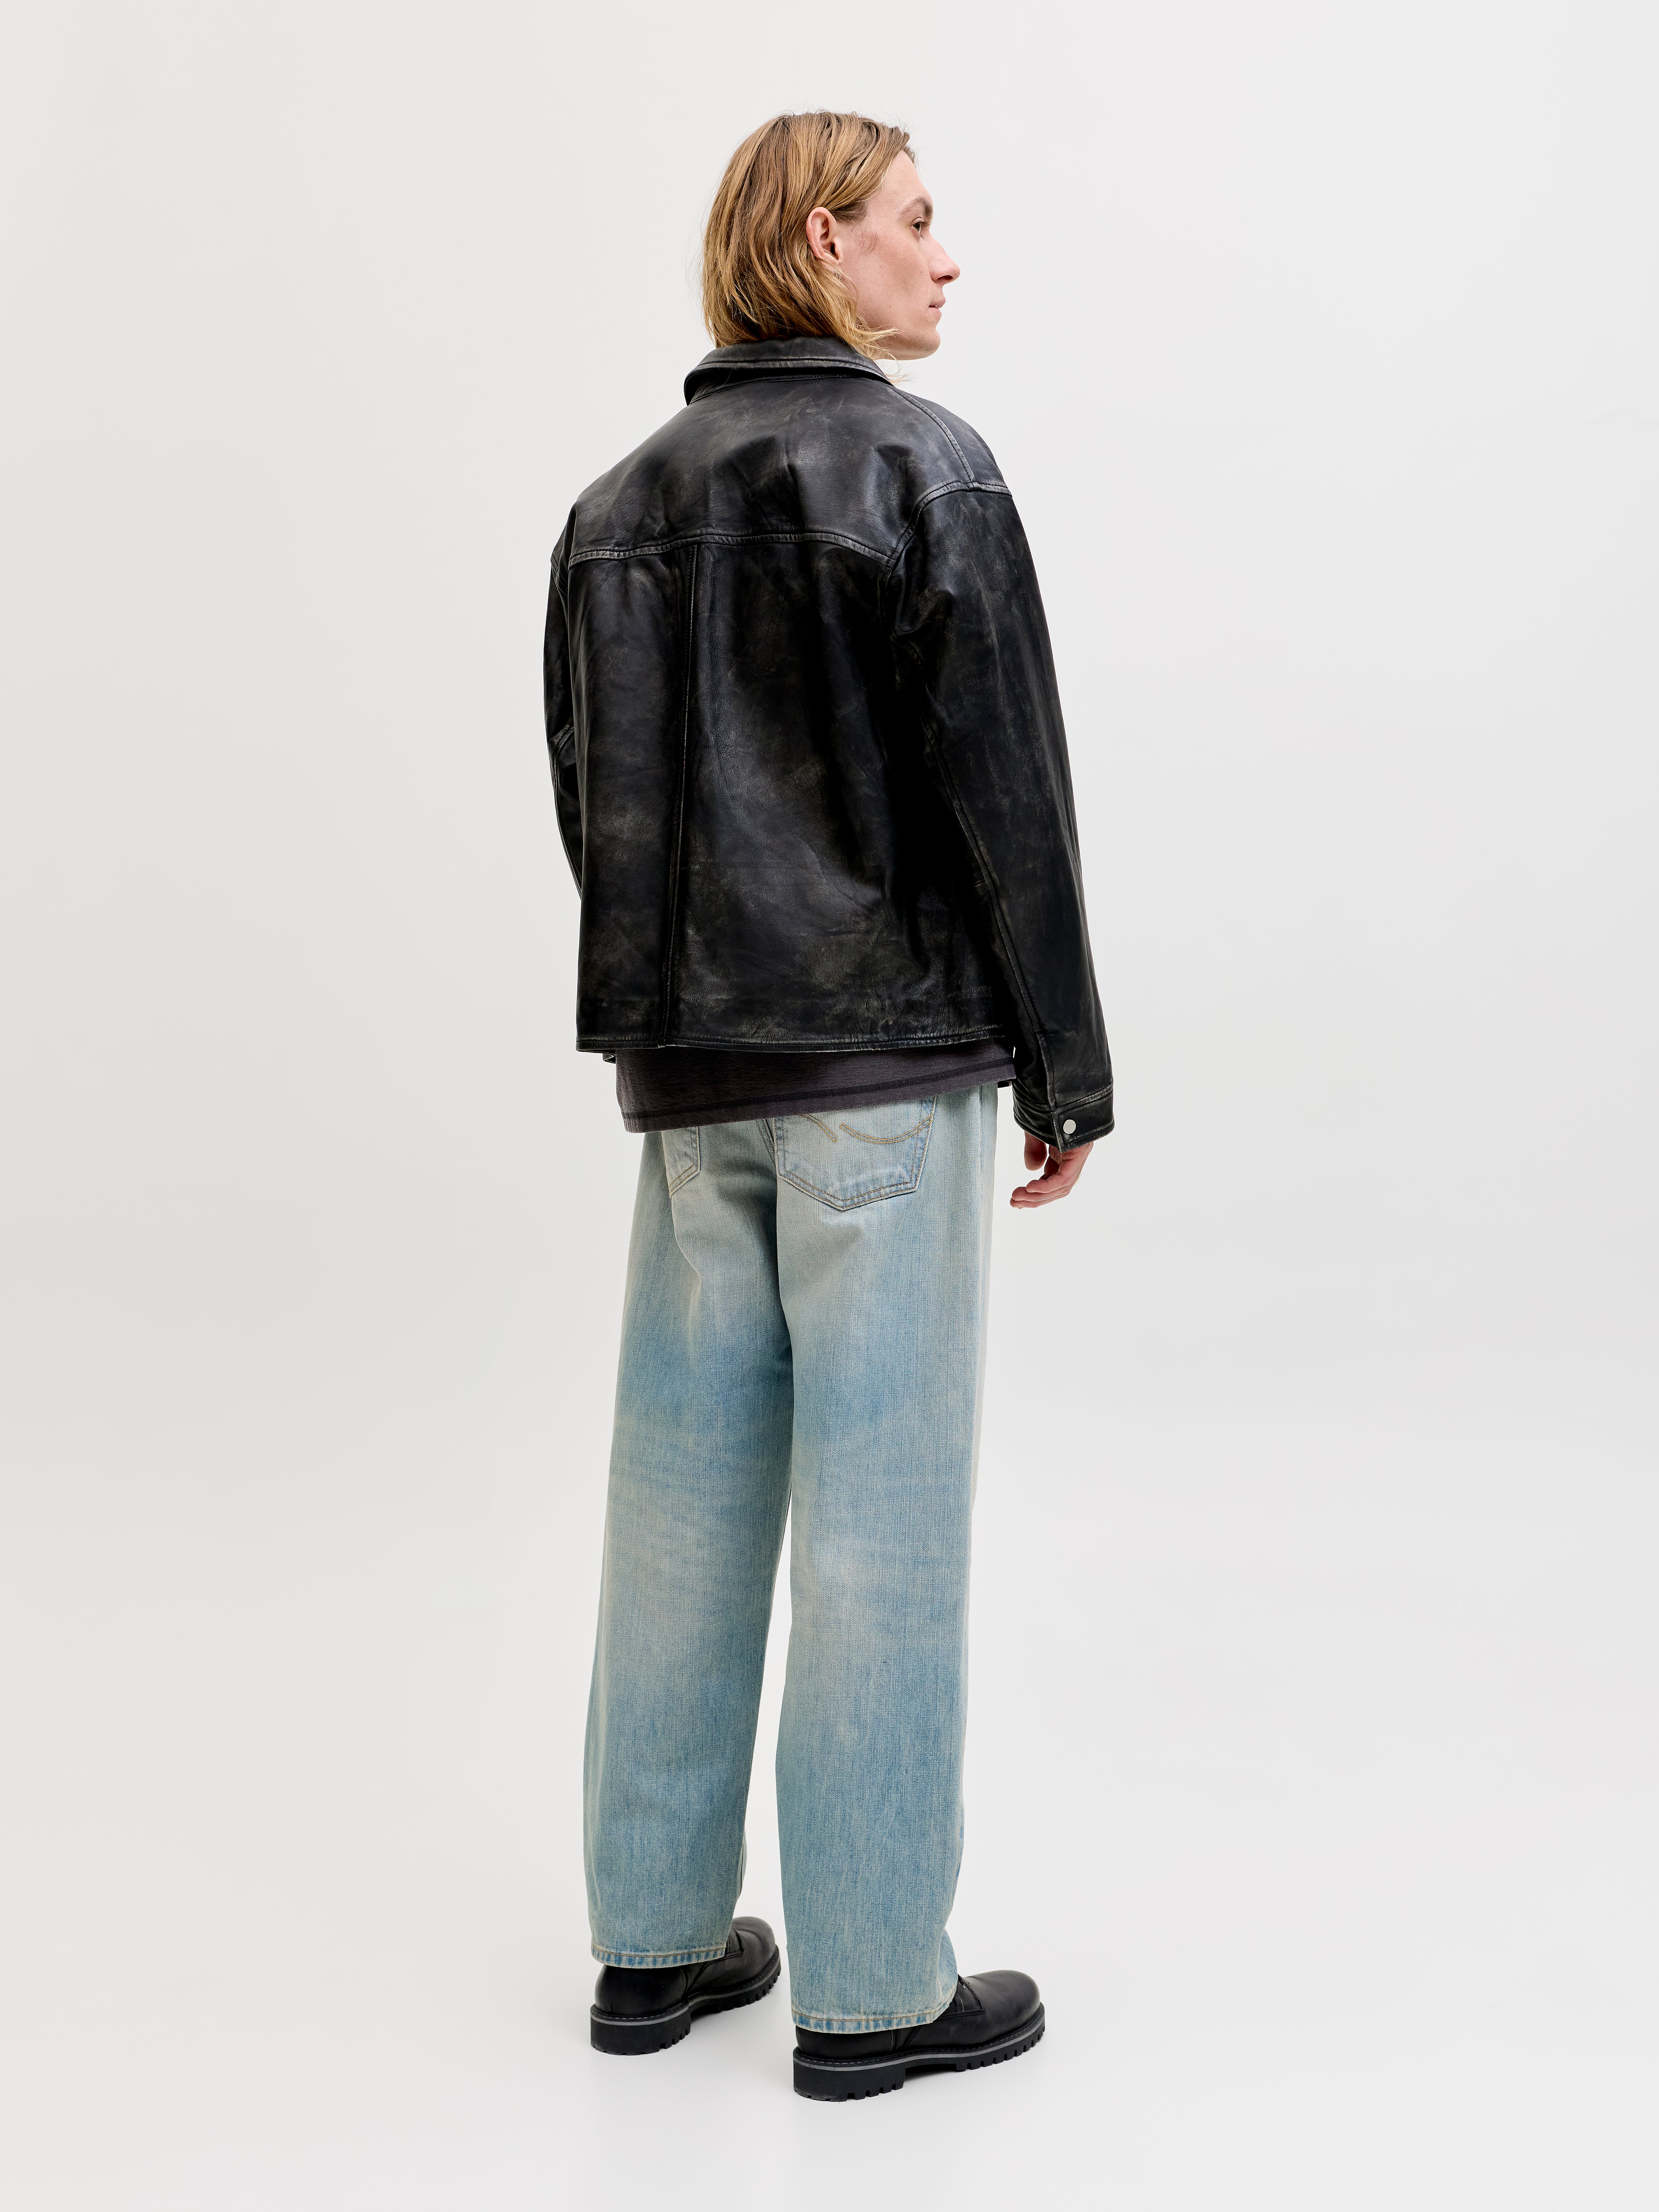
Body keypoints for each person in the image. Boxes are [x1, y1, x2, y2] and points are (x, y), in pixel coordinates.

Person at [542, 110, 1112, 2102]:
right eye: (916, 222)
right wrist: (1067, 1066)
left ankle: (654, 1947)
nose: (946, 260)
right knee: (882, 1537)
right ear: (817, 242)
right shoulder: (929, 471)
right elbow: (1009, 798)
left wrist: (683, 1032)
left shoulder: (614, 508)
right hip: (887, 1073)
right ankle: (873, 1991)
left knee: (678, 1516)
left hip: (693, 1088)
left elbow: (598, 816)